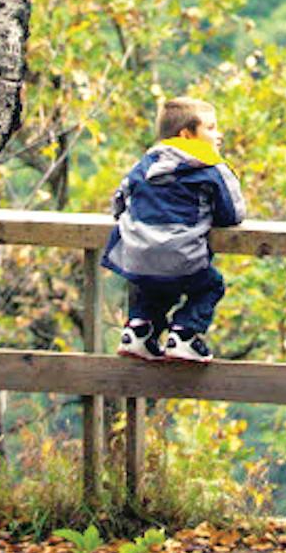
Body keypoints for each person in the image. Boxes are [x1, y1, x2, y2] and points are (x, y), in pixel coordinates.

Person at [102, 96, 245, 363]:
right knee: (210, 286)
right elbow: (233, 214)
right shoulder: (211, 167)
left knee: (154, 286)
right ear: (187, 135)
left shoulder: (144, 164)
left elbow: (119, 202)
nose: (219, 135)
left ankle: (139, 331)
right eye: (211, 128)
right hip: (183, 257)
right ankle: (185, 333)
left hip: (138, 255)